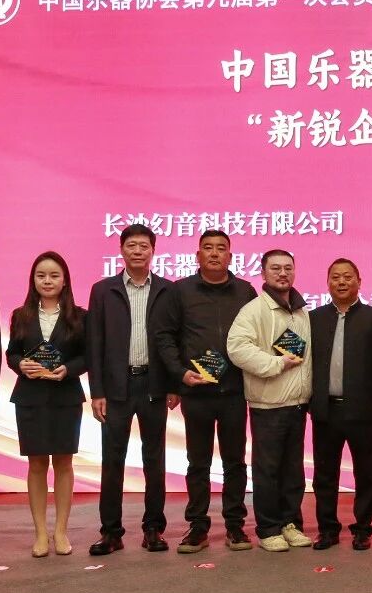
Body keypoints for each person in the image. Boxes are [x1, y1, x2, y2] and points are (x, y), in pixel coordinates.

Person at [151, 230, 257, 553]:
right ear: (197, 256)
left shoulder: (246, 291)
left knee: (235, 462)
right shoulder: (180, 291)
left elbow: (257, 335)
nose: (214, 253)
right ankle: (197, 526)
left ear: (230, 256)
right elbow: (165, 337)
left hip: (234, 391)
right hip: (196, 392)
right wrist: (180, 374)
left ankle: (235, 526)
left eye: (220, 248)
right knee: (197, 463)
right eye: (207, 248)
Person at [86, 224, 177, 556]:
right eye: (132, 245)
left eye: (144, 246)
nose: (138, 251)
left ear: (153, 250)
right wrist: (97, 391)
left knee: (154, 459)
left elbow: (175, 340)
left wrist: (174, 384)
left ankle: (153, 529)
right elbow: (94, 343)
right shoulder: (103, 290)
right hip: (116, 387)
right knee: (112, 460)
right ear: (121, 250)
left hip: (154, 384)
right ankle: (111, 532)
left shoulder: (168, 290)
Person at [227, 250, 314, 552]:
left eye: (288, 268)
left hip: (297, 403)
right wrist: (275, 363)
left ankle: (291, 523)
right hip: (268, 404)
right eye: (275, 268)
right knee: (267, 470)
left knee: (293, 471)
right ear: (263, 273)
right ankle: (268, 528)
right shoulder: (253, 310)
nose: (282, 273)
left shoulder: (301, 311)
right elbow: (237, 348)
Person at [5, 252, 88, 557]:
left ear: (65, 280)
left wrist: (69, 369)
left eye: (54, 275)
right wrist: (20, 364)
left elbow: (88, 356)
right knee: (37, 464)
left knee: (64, 464)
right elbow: (12, 353)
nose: (47, 281)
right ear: (33, 280)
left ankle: (61, 532)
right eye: (41, 275)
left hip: (66, 397)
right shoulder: (21, 315)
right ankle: (40, 533)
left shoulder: (80, 316)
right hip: (30, 398)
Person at [308, 258, 372, 551]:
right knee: (324, 474)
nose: (341, 282)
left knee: (365, 473)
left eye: (347, 277)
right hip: (325, 409)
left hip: (364, 409)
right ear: (328, 282)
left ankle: (362, 528)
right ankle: (327, 529)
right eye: (335, 277)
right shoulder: (313, 318)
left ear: (359, 281)